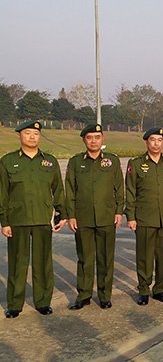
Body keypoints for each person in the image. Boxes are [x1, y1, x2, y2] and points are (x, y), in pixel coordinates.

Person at [1, 120, 67, 318]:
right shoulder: (7, 161)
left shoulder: (49, 162)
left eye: (36, 133)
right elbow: (2, 193)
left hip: (41, 218)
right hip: (17, 219)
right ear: (19, 136)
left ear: (40, 137)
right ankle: (14, 303)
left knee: (43, 262)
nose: (32, 137)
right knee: (17, 263)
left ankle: (43, 301)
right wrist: (4, 221)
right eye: (28, 133)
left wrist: (61, 214)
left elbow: (58, 190)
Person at [65, 124, 124, 310]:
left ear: (103, 139)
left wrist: (119, 211)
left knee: (106, 258)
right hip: (83, 217)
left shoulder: (112, 161)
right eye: (89, 137)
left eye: (97, 137)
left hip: (107, 216)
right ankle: (84, 295)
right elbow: (70, 191)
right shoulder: (75, 162)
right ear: (83, 140)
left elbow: (119, 188)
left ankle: (105, 295)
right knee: (85, 259)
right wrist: (71, 216)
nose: (93, 140)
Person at [125, 127, 163, 305]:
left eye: (159, 140)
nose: (156, 143)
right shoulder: (136, 163)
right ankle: (143, 289)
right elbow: (131, 192)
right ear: (146, 142)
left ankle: (159, 289)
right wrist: (131, 217)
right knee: (145, 256)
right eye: (152, 140)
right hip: (144, 217)